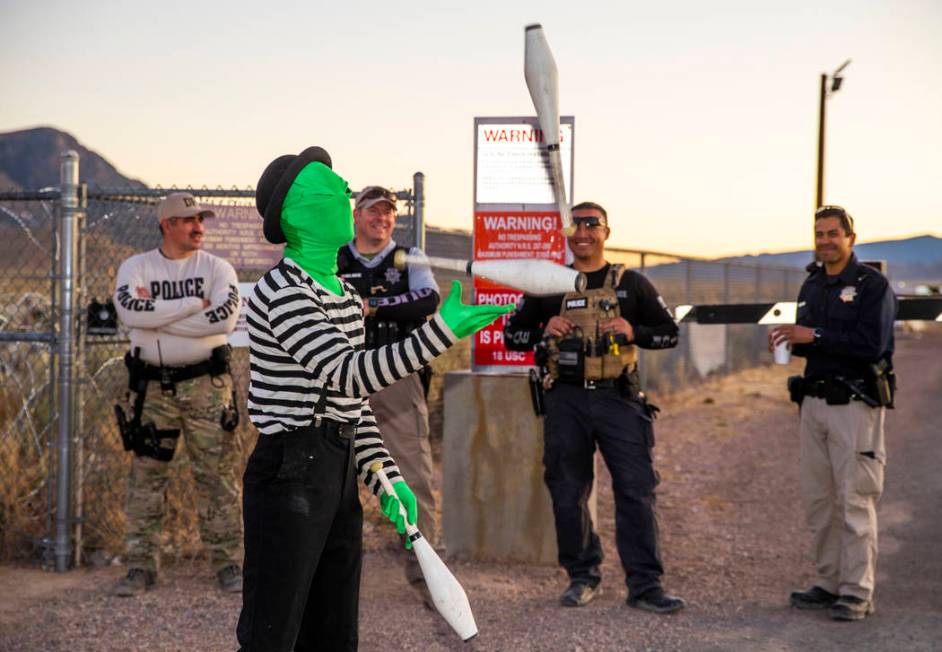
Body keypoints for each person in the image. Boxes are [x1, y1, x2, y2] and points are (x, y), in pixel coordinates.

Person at [237, 146, 512, 651]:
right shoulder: (281, 291)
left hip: (335, 466)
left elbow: (351, 405)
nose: (345, 192)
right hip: (290, 471)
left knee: (334, 628)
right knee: (273, 631)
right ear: (297, 214)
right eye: (331, 189)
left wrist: (381, 471)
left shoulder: (341, 292)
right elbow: (346, 374)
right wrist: (440, 333)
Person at [504, 201, 685, 614]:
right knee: (568, 490)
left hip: (618, 398)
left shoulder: (631, 283)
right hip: (565, 399)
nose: (583, 231)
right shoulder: (549, 283)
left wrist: (632, 330)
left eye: (592, 224)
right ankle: (582, 575)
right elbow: (512, 336)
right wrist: (542, 329)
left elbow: (669, 333)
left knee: (636, 489)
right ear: (567, 233)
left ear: (606, 232)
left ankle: (645, 585)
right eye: (576, 224)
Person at [112, 191, 243, 596]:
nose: (198, 226)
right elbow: (130, 312)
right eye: (189, 220)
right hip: (152, 387)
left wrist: (158, 323)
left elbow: (224, 318)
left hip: (207, 385)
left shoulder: (218, 268)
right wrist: (190, 304)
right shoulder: (137, 266)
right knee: (148, 476)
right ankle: (139, 566)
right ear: (167, 224)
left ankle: (228, 563)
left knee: (217, 476)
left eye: (201, 219)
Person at [769, 205, 897, 621]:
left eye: (832, 234)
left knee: (855, 499)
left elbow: (871, 344)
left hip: (854, 405)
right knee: (819, 500)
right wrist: (790, 342)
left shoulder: (872, 285)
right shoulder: (812, 285)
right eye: (819, 234)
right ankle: (828, 583)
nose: (825, 241)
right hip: (814, 404)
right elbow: (812, 342)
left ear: (850, 239)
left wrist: (816, 335)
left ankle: (857, 592)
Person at [336, 185, 441, 606]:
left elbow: (427, 300)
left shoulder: (409, 255)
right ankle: (328, 575)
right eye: (373, 211)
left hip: (396, 369)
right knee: (333, 474)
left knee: (413, 476)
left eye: (389, 212)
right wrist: (364, 303)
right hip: (343, 370)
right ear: (356, 215)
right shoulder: (335, 255)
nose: (382, 218)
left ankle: (427, 575)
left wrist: (371, 306)